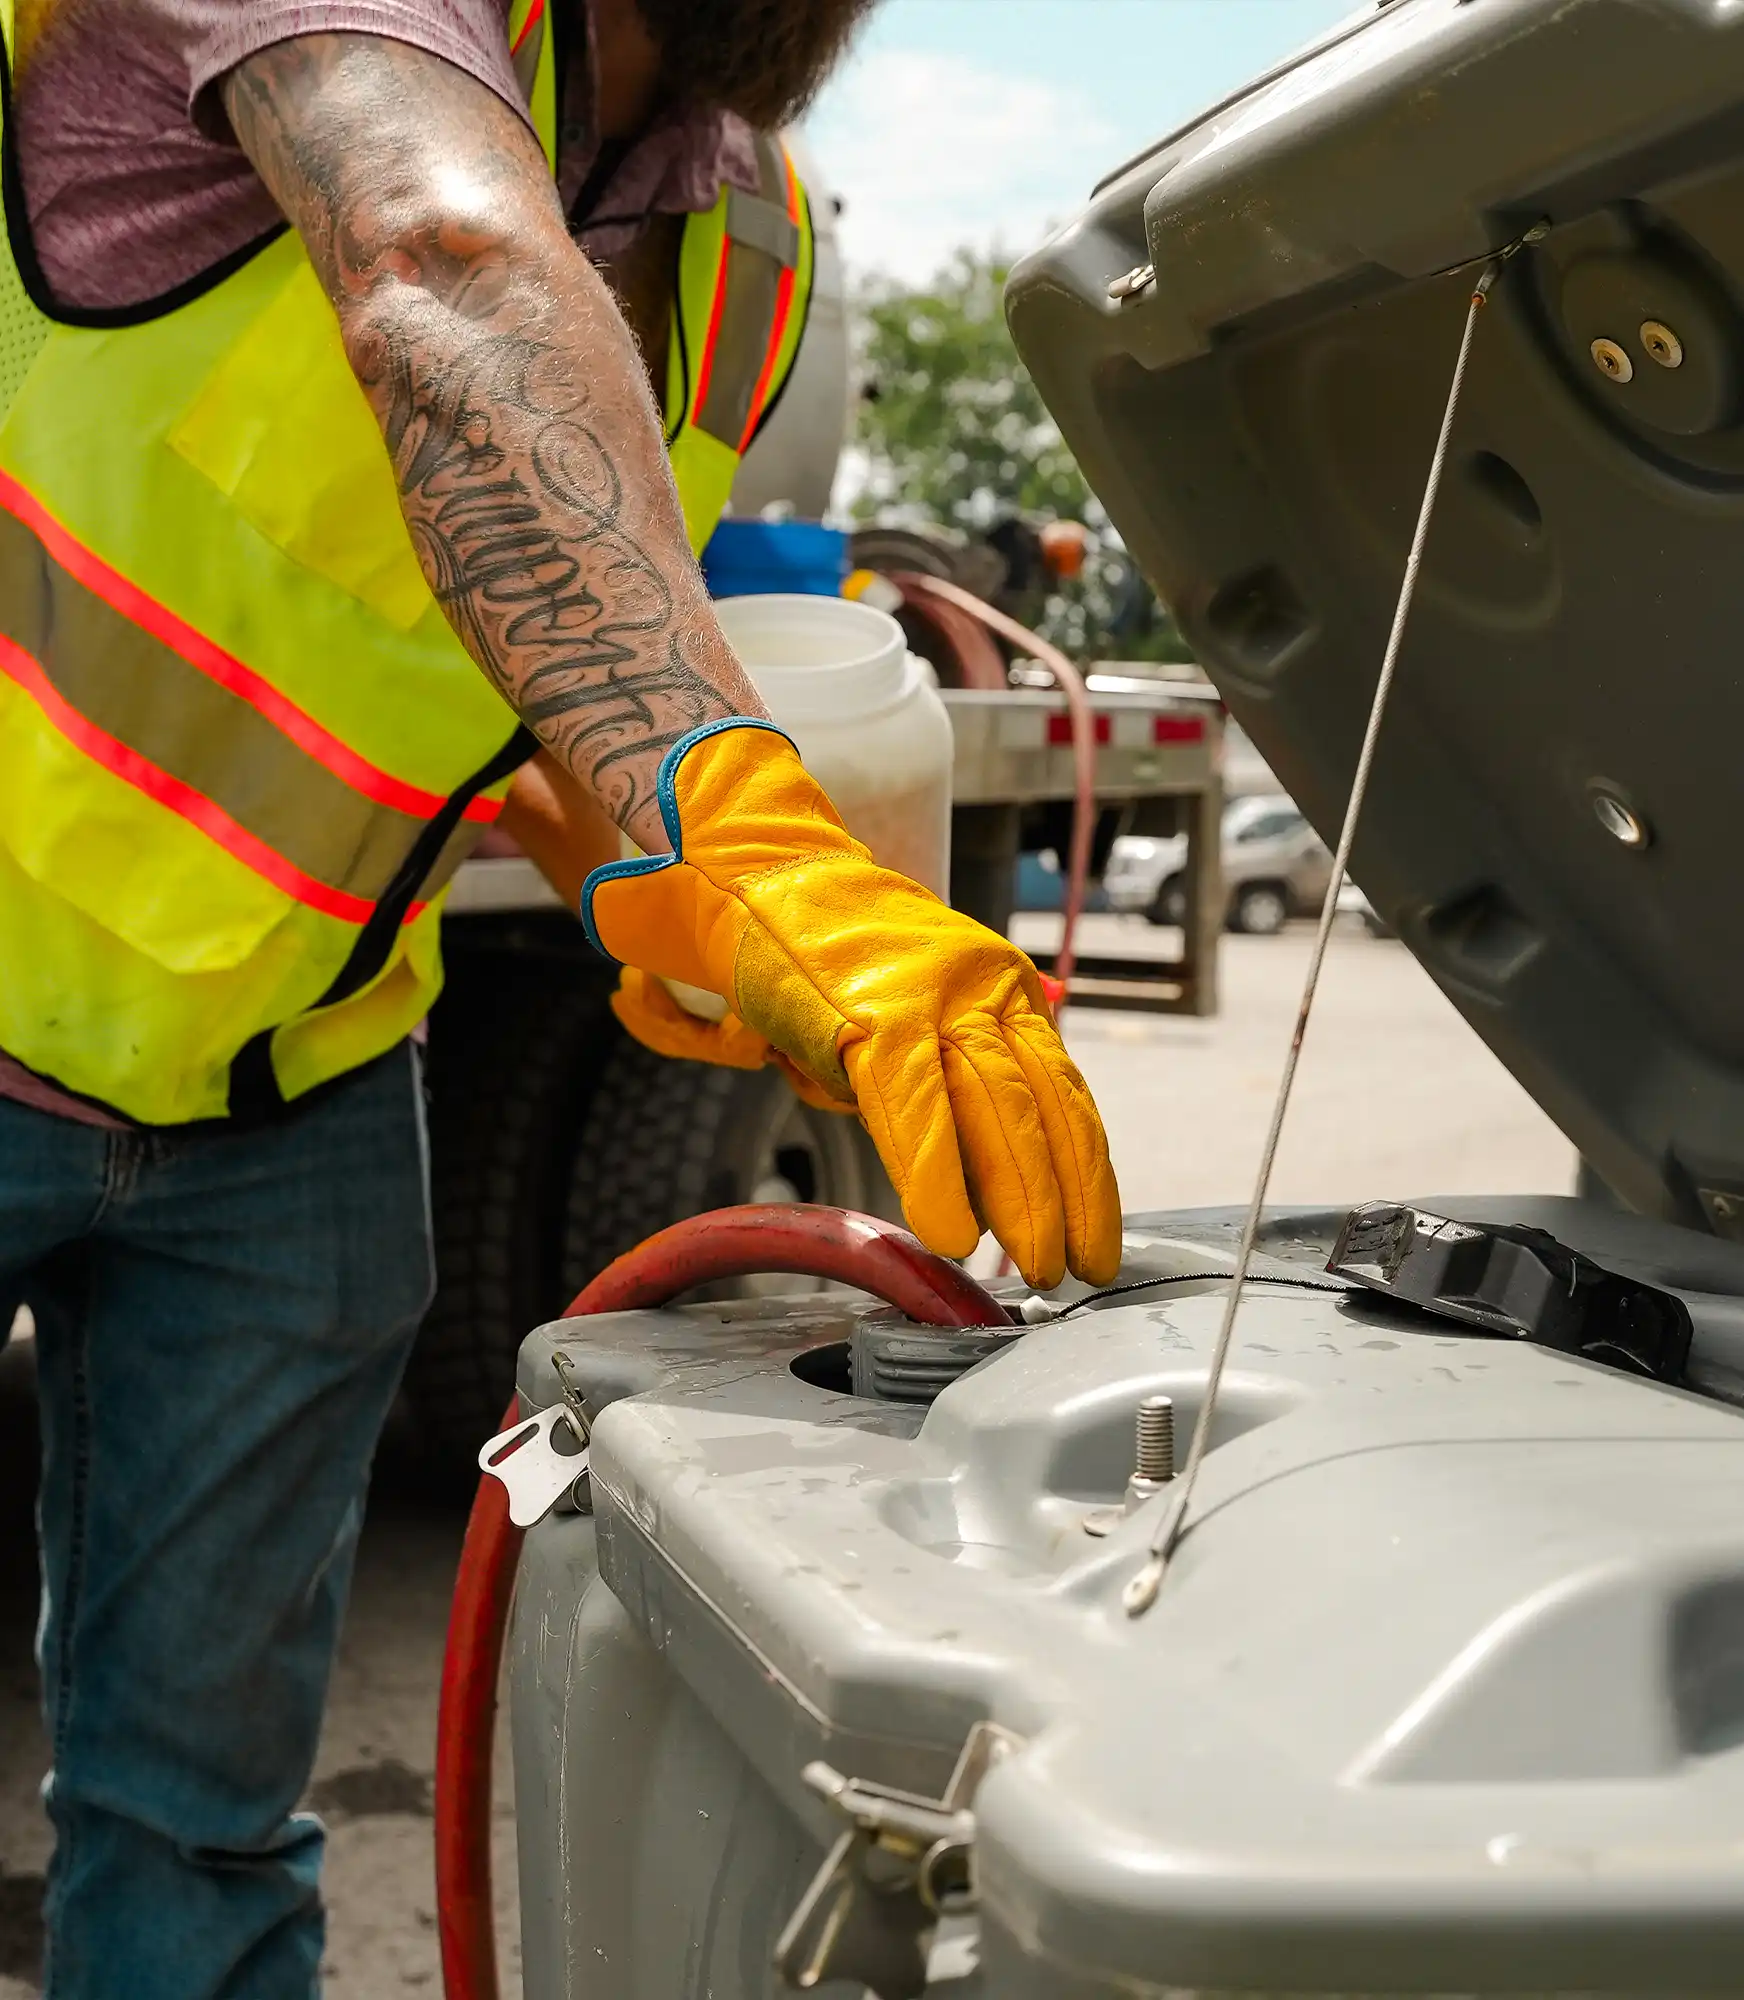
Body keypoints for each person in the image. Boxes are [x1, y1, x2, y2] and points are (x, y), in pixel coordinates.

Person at [0, 0, 1121, 1991]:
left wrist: (632, 846)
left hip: (292, 1087)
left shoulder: (737, 239)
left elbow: (489, 596)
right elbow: (440, 274)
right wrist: (730, 821)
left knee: (194, 1829)